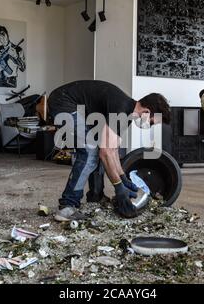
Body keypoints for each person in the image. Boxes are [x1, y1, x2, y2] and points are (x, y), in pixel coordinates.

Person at [47, 80, 171, 221]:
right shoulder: (121, 109)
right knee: (89, 152)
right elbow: (105, 152)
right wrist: (119, 187)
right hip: (63, 102)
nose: (151, 126)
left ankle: (96, 196)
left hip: (79, 108)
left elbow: (112, 150)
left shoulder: (127, 114)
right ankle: (67, 206)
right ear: (147, 112)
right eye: (153, 122)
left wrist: (123, 179)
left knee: (98, 148)